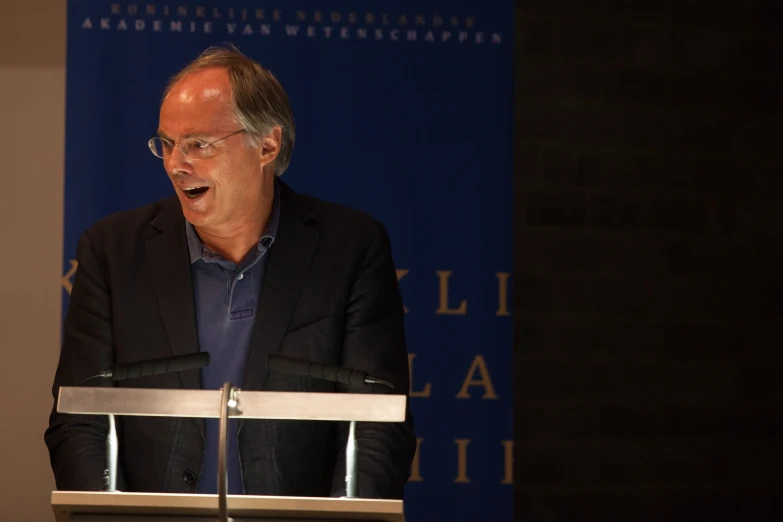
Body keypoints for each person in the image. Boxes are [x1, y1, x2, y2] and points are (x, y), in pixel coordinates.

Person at [44, 44, 416, 499]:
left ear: (267, 144)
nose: (176, 165)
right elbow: (78, 419)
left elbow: (377, 424)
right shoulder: (112, 251)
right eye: (166, 143)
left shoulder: (351, 249)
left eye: (199, 144)